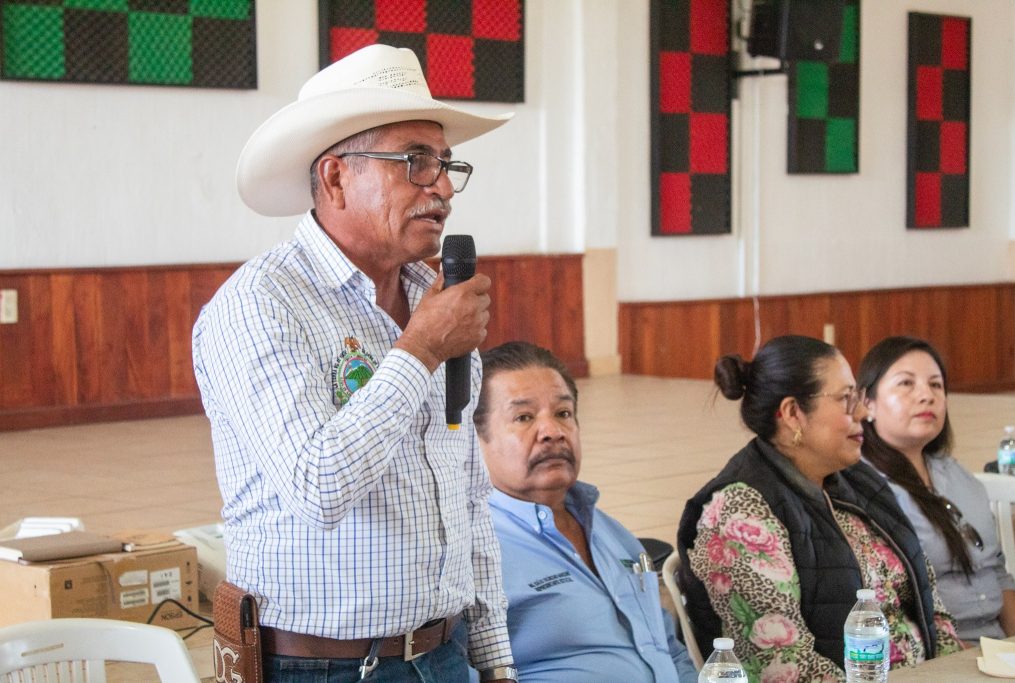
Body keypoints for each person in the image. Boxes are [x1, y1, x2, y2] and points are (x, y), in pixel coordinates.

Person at [192, 44, 518, 682]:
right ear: (337, 177)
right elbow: (320, 486)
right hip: (321, 668)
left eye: (447, 164)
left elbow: (467, 497)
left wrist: (495, 660)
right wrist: (419, 349)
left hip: (444, 655)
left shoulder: (433, 297)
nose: (445, 188)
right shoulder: (260, 305)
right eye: (415, 163)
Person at [676, 335, 963, 682]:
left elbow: (929, 602)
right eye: (845, 399)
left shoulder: (861, 482)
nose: (862, 411)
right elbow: (783, 666)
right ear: (793, 414)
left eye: (857, 396)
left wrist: (953, 672)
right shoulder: (741, 513)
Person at [472, 341, 698, 682]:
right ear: (477, 439)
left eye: (563, 413)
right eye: (524, 417)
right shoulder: (470, 553)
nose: (553, 432)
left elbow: (666, 646)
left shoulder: (612, 534)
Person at [858, 336, 1015, 643]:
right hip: (936, 654)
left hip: (997, 649)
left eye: (936, 385)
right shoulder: (861, 487)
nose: (926, 395)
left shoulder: (956, 475)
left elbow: (997, 571)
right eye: (906, 383)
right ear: (867, 403)